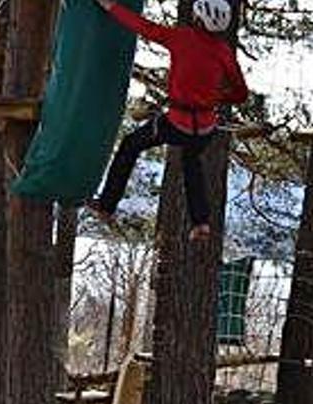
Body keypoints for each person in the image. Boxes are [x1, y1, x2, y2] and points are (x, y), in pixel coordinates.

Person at [86, 0, 248, 241]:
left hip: (177, 122)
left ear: (198, 19)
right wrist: (214, 96)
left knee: (131, 144)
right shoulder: (224, 52)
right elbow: (240, 94)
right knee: (192, 162)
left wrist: (110, 7)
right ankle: (201, 222)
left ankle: (107, 205)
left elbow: (143, 26)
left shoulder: (182, 38)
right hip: (205, 128)